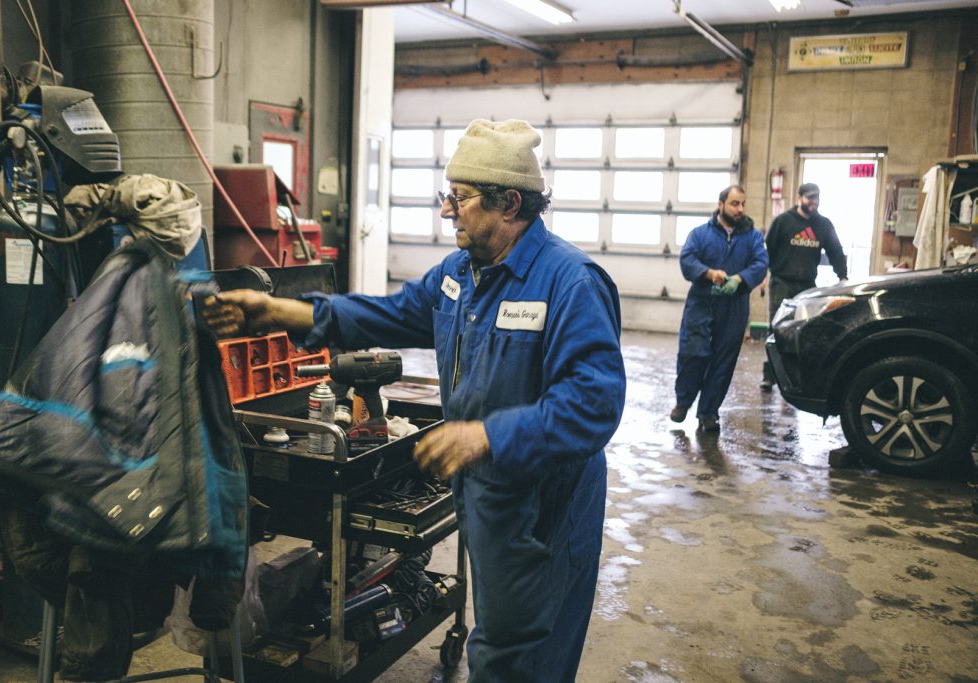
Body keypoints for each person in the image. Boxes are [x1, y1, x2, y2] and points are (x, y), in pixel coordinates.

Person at [202, 119, 627, 682]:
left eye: (460, 198)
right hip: (486, 491)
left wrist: (486, 435)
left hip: (544, 503)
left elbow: (594, 400)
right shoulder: (461, 274)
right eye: (446, 195)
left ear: (510, 204)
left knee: (521, 656)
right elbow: (392, 314)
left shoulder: (569, 283)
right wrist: (285, 312)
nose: (447, 210)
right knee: (497, 641)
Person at [670, 185, 768, 433]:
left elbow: (760, 263)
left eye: (743, 204)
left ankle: (708, 413)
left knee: (723, 360)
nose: (740, 209)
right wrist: (708, 273)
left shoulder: (753, 236)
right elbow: (687, 260)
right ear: (721, 204)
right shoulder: (700, 234)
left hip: (734, 305)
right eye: (735, 203)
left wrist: (741, 279)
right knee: (694, 352)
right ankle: (683, 402)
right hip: (702, 301)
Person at [760, 182, 848, 390]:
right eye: (810, 198)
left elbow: (836, 250)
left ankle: (797, 377)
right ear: (799, 197)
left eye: (817, 198)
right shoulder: (783, 222)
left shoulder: (823, 225)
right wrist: (762, 277)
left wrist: (843, 277)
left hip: (807, 284)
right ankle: (769, 375)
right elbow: (767, 252)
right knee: (776, 328)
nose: (814, 202)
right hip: (782, 282)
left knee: (804, 330)